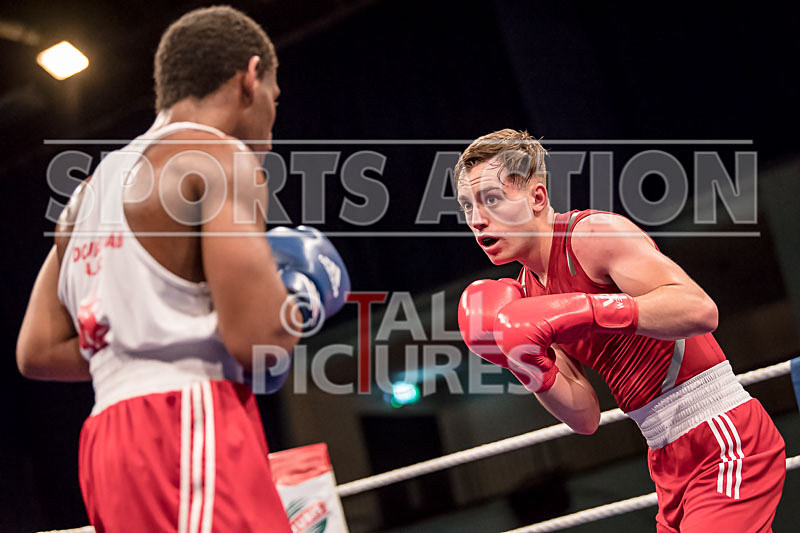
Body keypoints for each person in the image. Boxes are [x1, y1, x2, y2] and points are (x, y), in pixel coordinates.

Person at [16, 6, 349, 532]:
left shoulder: (85, 193)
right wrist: (300, 299)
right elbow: (256, 338)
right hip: (189, 422)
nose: (272, 116)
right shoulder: (219, 157)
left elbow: (36, 349)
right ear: (250, 76)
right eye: (274, 99)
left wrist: (150, 338)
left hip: (107, 442)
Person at [455, 129, 785, 532]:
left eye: (490, 199)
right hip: (664, 456)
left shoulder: (591, 237)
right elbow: (585, 417)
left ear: (537, 198)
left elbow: (699, 309)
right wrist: (523, 365)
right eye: (467, 206)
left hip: (720, 433)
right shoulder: (522, 299)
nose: (476, 219)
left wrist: (584, 306)